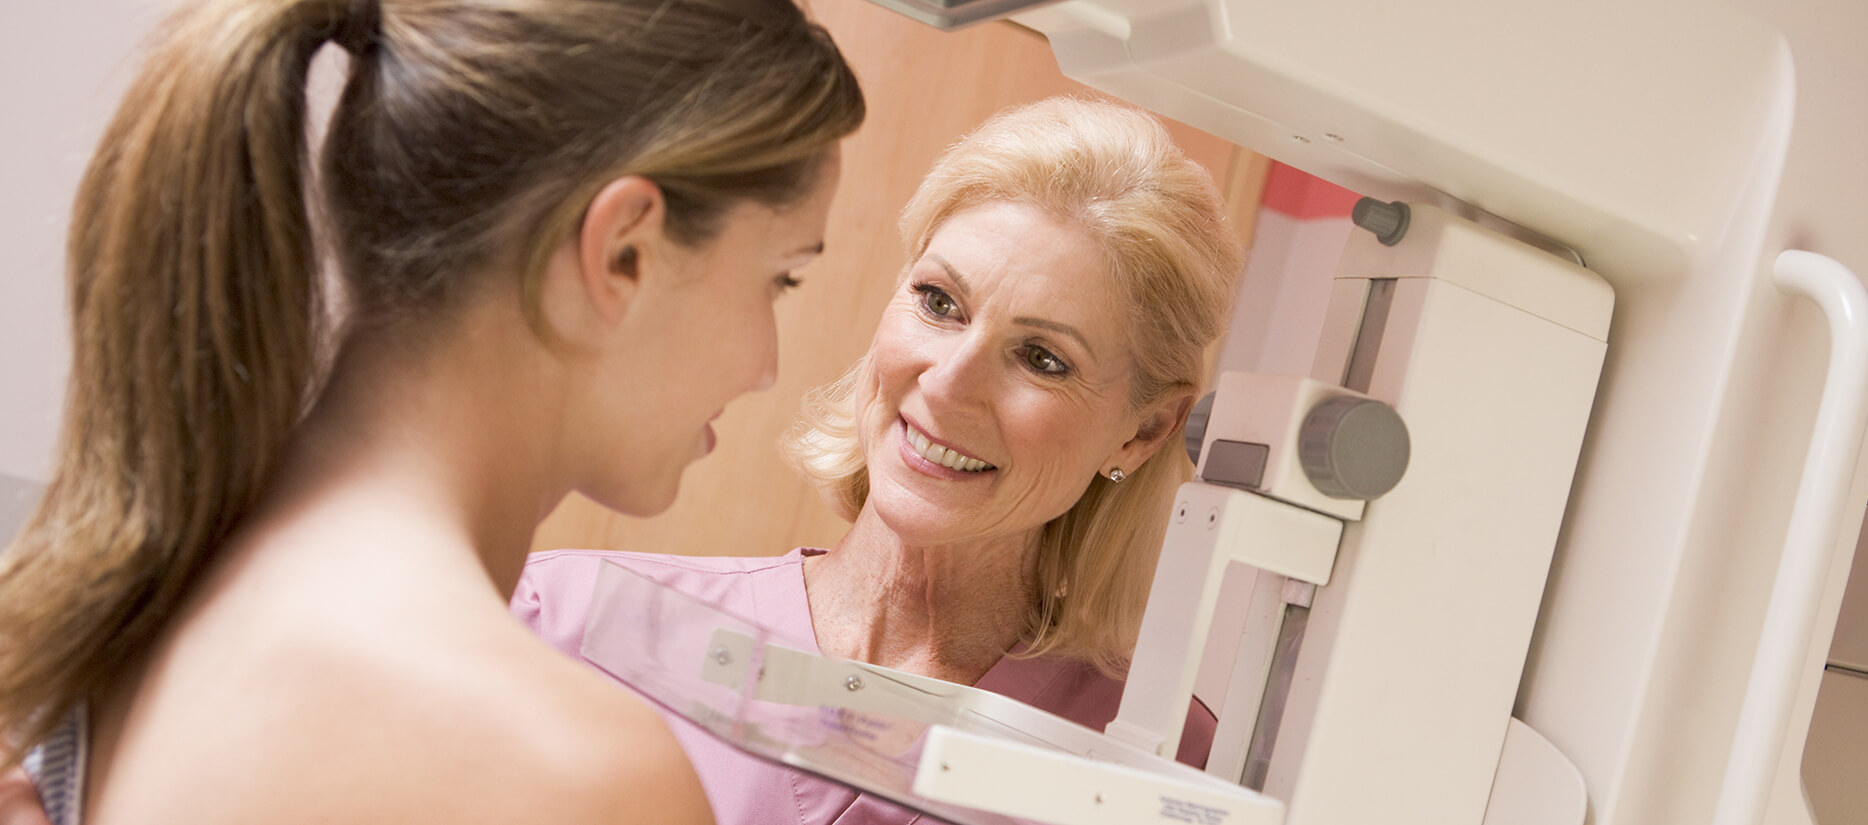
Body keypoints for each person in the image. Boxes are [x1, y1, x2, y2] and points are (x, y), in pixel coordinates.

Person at [0, 0, 863, 822]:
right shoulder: (566, 775)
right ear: (624, 252)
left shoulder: (116, 597)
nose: (765, 366)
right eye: (780, 278)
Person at [513, 96, 1244, 825]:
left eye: (1043, 358)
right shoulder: (566, 625)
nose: (948, 381)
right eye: (939, 301)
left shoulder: (1168, 770)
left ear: (1145, 430)